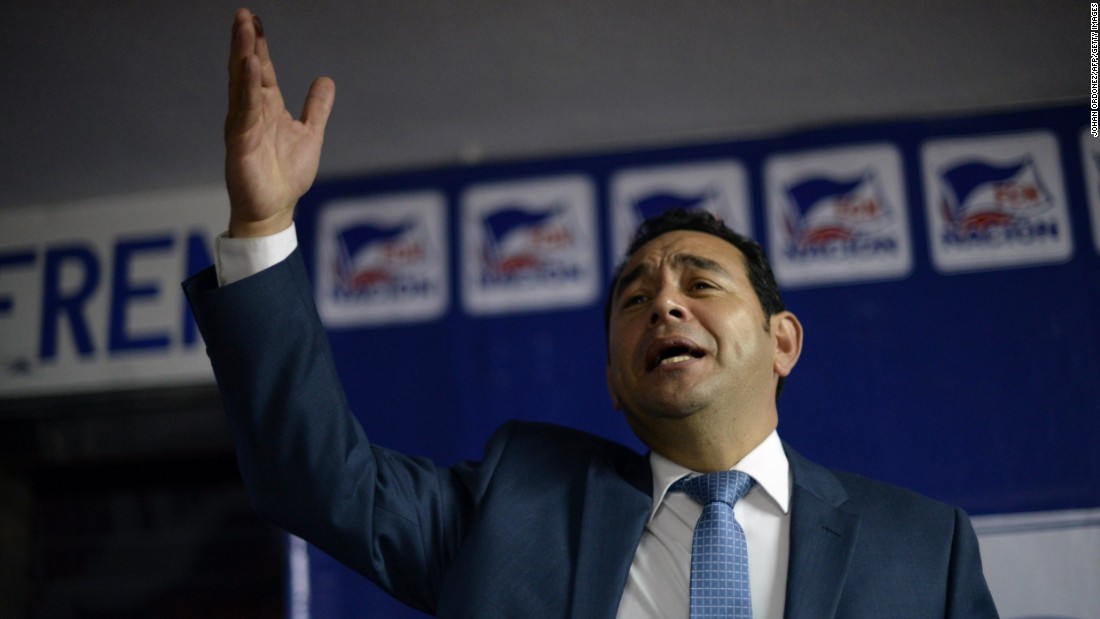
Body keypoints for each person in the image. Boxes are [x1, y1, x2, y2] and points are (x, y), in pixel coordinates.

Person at [184, 8, 999, 618]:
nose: (665, 302)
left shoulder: (924, 548)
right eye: (635, 298)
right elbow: (312, 475)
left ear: (783, 339)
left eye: (700, 283)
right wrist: (261, 224)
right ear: (614, 378)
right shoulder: (513, 507)